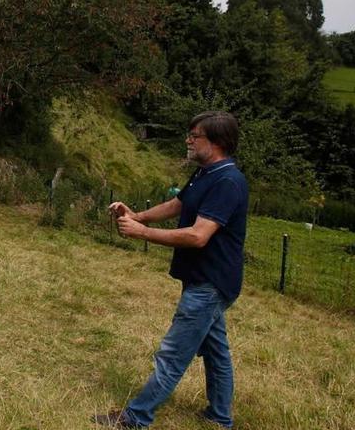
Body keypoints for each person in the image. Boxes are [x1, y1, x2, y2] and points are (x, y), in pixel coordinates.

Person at [93, 111, 249, 429]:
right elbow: (179, 205)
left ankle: (136, 418)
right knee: (216, 350)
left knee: (173, 353)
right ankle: (219, 417)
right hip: (202, 278)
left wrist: (142, 233)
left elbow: (198, 235)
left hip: (211, 282)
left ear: (217, 142)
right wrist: (138, 216)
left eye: (195, 136)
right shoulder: (205, 173)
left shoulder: (227, 181)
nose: (188, 141)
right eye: (188, 134)